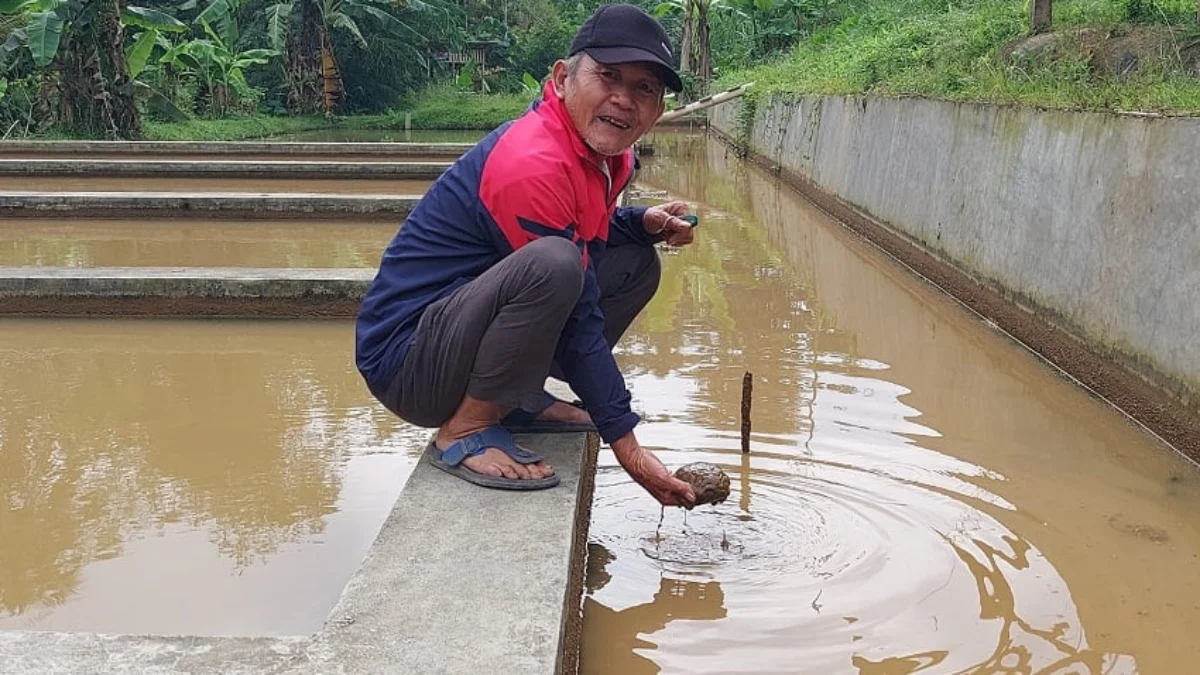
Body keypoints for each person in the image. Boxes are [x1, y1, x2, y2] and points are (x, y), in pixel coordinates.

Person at [355, 3, 697, 507]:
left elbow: (585, 232)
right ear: (562, 79)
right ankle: (466, 426)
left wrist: (642, 222)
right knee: (556, 266)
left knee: (635, 262)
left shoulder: (608, 156)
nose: (624, 100)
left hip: (464, 334)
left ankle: (519, 400)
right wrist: (625, 442)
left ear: (658, 109)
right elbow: (574, 297)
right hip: (408, 363)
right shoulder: (531, 161)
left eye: (644, 88)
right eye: (608, 76)